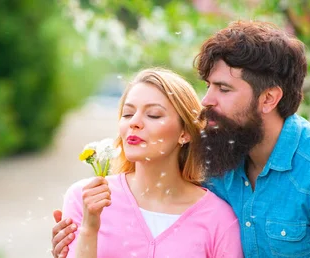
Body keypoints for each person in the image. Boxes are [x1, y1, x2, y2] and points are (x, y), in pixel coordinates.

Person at [52, 20, 310, 257]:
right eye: (209, 85)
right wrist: (81, 238)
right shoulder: (219, 156)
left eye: (223, 89)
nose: (207, 100)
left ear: (268, 99)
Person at [57, 68, 243, 258]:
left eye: (153, 115)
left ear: (184, 133)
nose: (134, 123)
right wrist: (89, 230)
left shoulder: (219, 219)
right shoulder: (84, 199)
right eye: (128, 114)